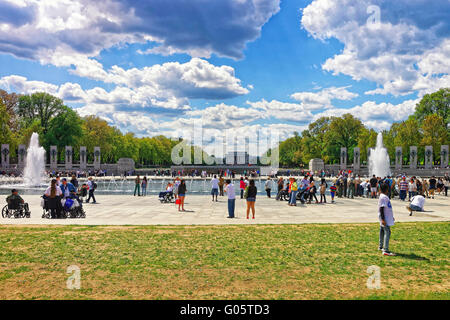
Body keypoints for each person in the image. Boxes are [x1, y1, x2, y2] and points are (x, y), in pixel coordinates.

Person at [378, 183, 396, 256]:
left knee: (382, 231)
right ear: (386, 189)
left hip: (386, 217)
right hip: (384, 218)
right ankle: (386, 250)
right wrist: (383, 219)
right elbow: (382, 209)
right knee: (387, 232)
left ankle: (381, 246)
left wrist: (391, 216)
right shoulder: (383, 197)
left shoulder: (383, 196)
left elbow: (387, 208)